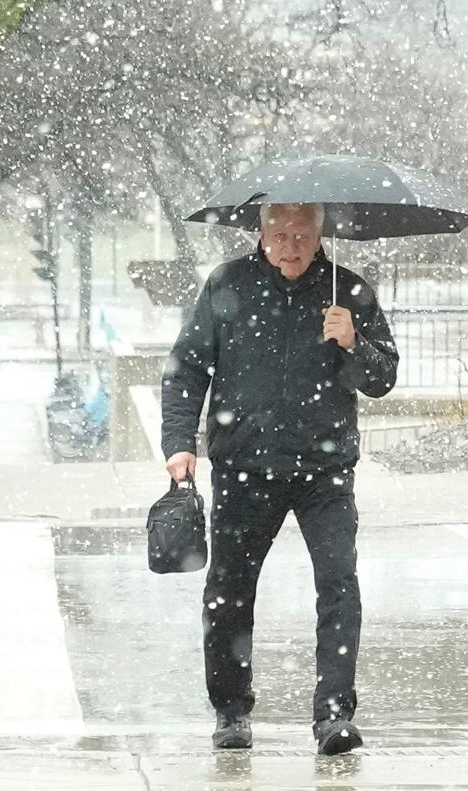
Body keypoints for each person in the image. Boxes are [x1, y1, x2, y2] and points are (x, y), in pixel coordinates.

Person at [161, 202, 398, 754]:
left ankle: (334, 715)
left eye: (302, 235)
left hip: (325, 470)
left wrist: (352, 343)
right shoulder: (228, 286)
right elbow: (188, 366)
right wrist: (179, 443)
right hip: (246, 467)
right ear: (261, 235)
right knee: (229, 591)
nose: (291, 245)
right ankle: (230, 711)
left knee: (338, 586)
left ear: (320, 237)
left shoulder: (349, 292)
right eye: (280, 234)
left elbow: (382, 378)